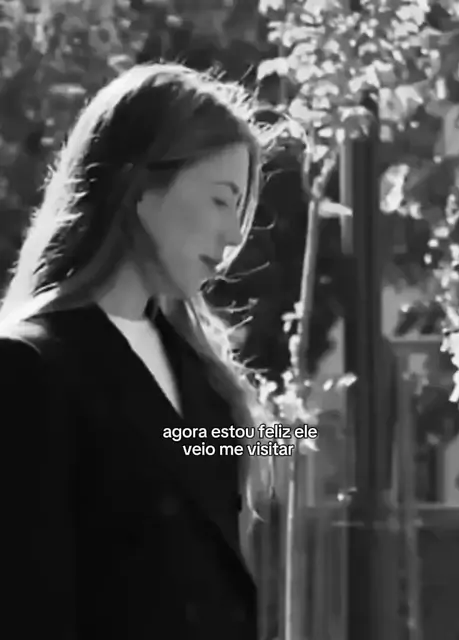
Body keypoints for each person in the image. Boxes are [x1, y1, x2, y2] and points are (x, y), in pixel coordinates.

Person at [0, 62, 279, 640]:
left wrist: (306, 438)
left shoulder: (204, 379)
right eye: (221, 200)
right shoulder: (29, 368)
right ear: (139, 185)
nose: (234, 236)